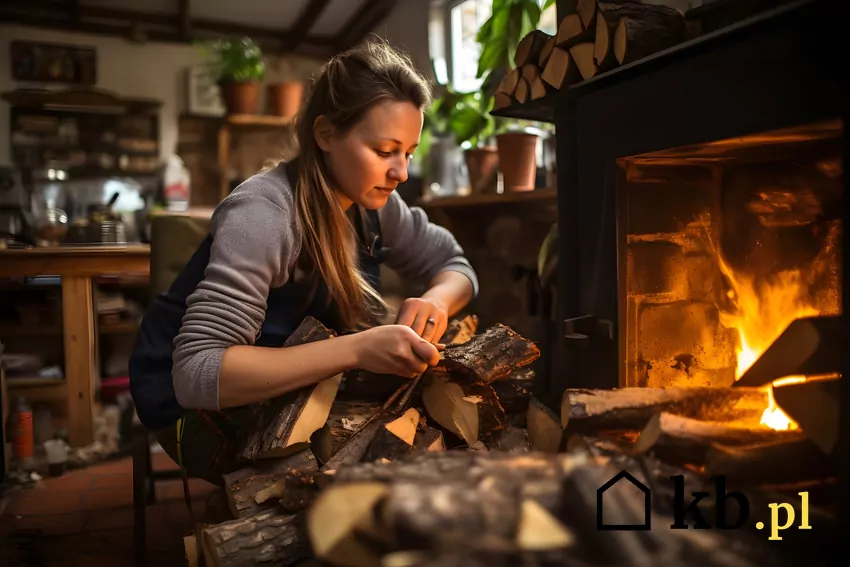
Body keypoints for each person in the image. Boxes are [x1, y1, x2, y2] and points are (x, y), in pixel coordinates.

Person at [128, 39, 478, 485]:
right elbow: (198, 374)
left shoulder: (378, 205)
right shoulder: (265, 213)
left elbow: (455, 263)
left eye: (408, 153)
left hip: (293, 381)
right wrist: (356, 350)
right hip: (192, 408)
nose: (402, 173)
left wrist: (438, 301)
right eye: (385, 150)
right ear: (326, 134)